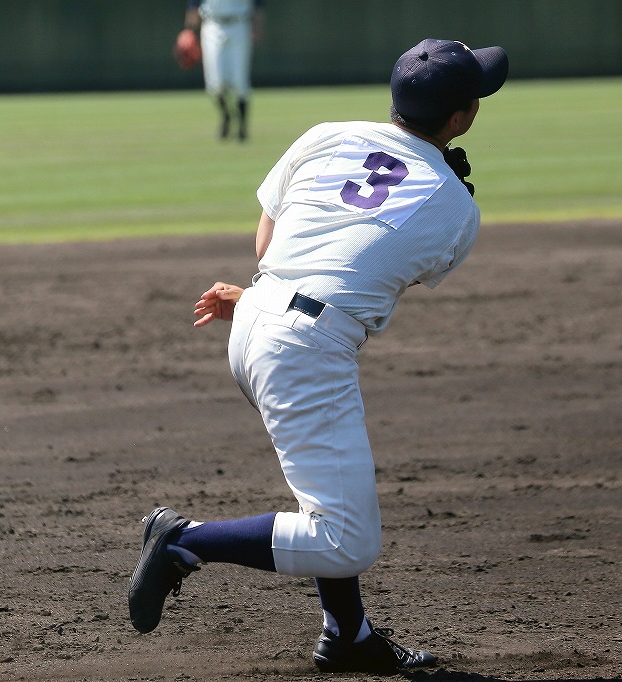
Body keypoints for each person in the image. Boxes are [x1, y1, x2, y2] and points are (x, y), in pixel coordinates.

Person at [129, 38, 509, 674]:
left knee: (326, 497)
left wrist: (264, 299)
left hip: (251, 319)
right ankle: (184, 543)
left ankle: (349, 635)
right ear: (461, 116)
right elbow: (387, 270)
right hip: (305, 349)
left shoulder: (327, 134)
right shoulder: (456, 208)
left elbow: (270, 233)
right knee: (346, 540)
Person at [182, 0, 263, 141]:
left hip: (240, 24)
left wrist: (257, 25)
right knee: (215, 84)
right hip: (212, 25)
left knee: (239, 82)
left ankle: (242, 126)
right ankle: (226, 115)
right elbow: (194, 4)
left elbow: (257, 4)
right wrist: (189, 30)